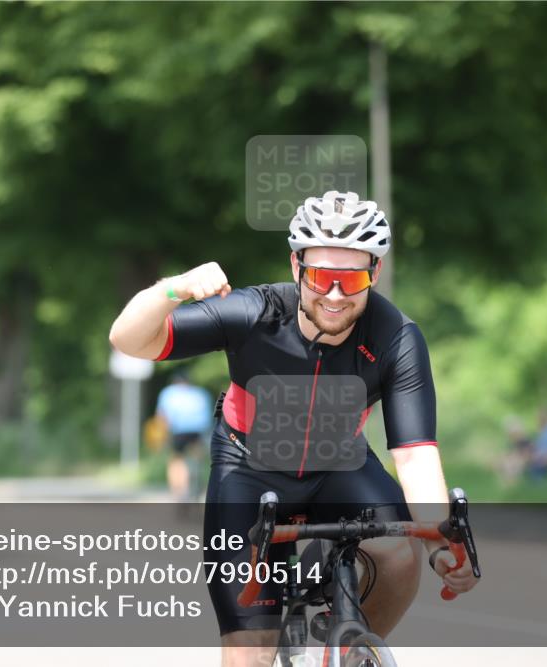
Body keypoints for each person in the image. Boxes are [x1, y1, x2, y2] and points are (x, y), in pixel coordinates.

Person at [109, 190, 478, 666]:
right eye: (322, 277)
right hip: (248, 469)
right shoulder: (253, 314)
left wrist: (443, 542)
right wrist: (174, 289)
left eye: (354, 278)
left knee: (400, 557)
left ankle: (346, 650)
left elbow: (415, 454)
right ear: (296, 266)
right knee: (249, 654)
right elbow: (128, 339)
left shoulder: (396, 337)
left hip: (338, 464)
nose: (336, 294)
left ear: (376, 273)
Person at [154, 371, 212, 503]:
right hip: (198, 431)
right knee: (197, 458)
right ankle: (196, 481)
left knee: (176, 459)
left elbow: (162, 417)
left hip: (178, 431)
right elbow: (208, 416)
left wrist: (163, 436)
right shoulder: (200, 393)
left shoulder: (168, 393)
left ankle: (179, 492)